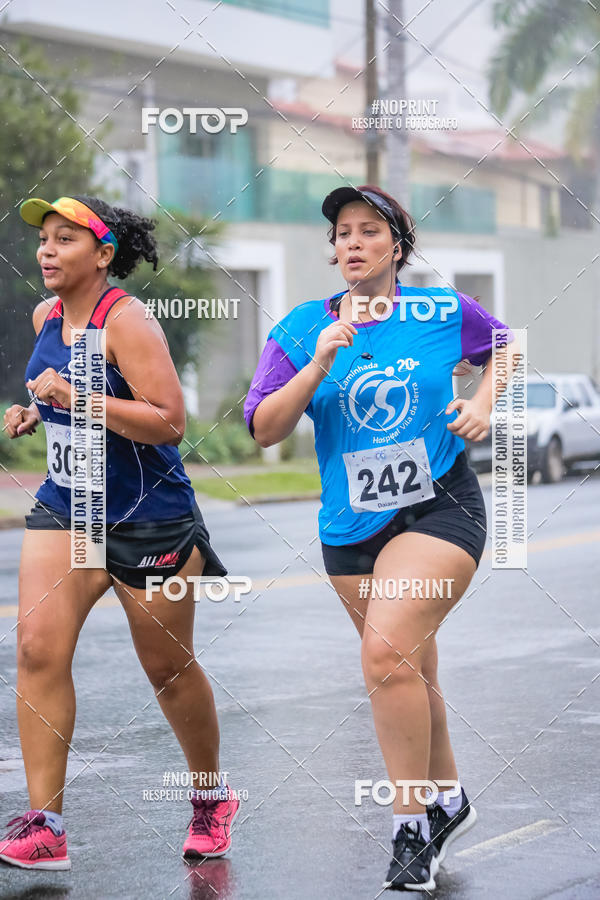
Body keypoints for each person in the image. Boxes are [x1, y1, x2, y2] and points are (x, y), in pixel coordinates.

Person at [243, 185, 518, 891]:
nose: (352, 243)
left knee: (387, 652)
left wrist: (483, 404)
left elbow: (506, 349)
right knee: (408, 669)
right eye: (342, 232)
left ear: (398, 245)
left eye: (369, 230)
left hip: (438, 509)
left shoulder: (440, 311)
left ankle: (409, 830)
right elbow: (265, 428)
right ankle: (449, 800)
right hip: (349, 528)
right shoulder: (303, 327)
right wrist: (315, 367)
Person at [1, 195, 239, 870]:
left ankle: (210, 795)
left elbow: (168, 421)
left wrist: (80, 400)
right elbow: (59, 392)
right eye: (44, 239)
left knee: (167, 668)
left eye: (65, 239)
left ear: (103, 255)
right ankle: (44, 825)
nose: (47, 250)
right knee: (35, 649)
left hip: (148, 515)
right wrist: (34, 410)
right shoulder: (47, 315)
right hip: (67, 506)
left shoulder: (129, 323)